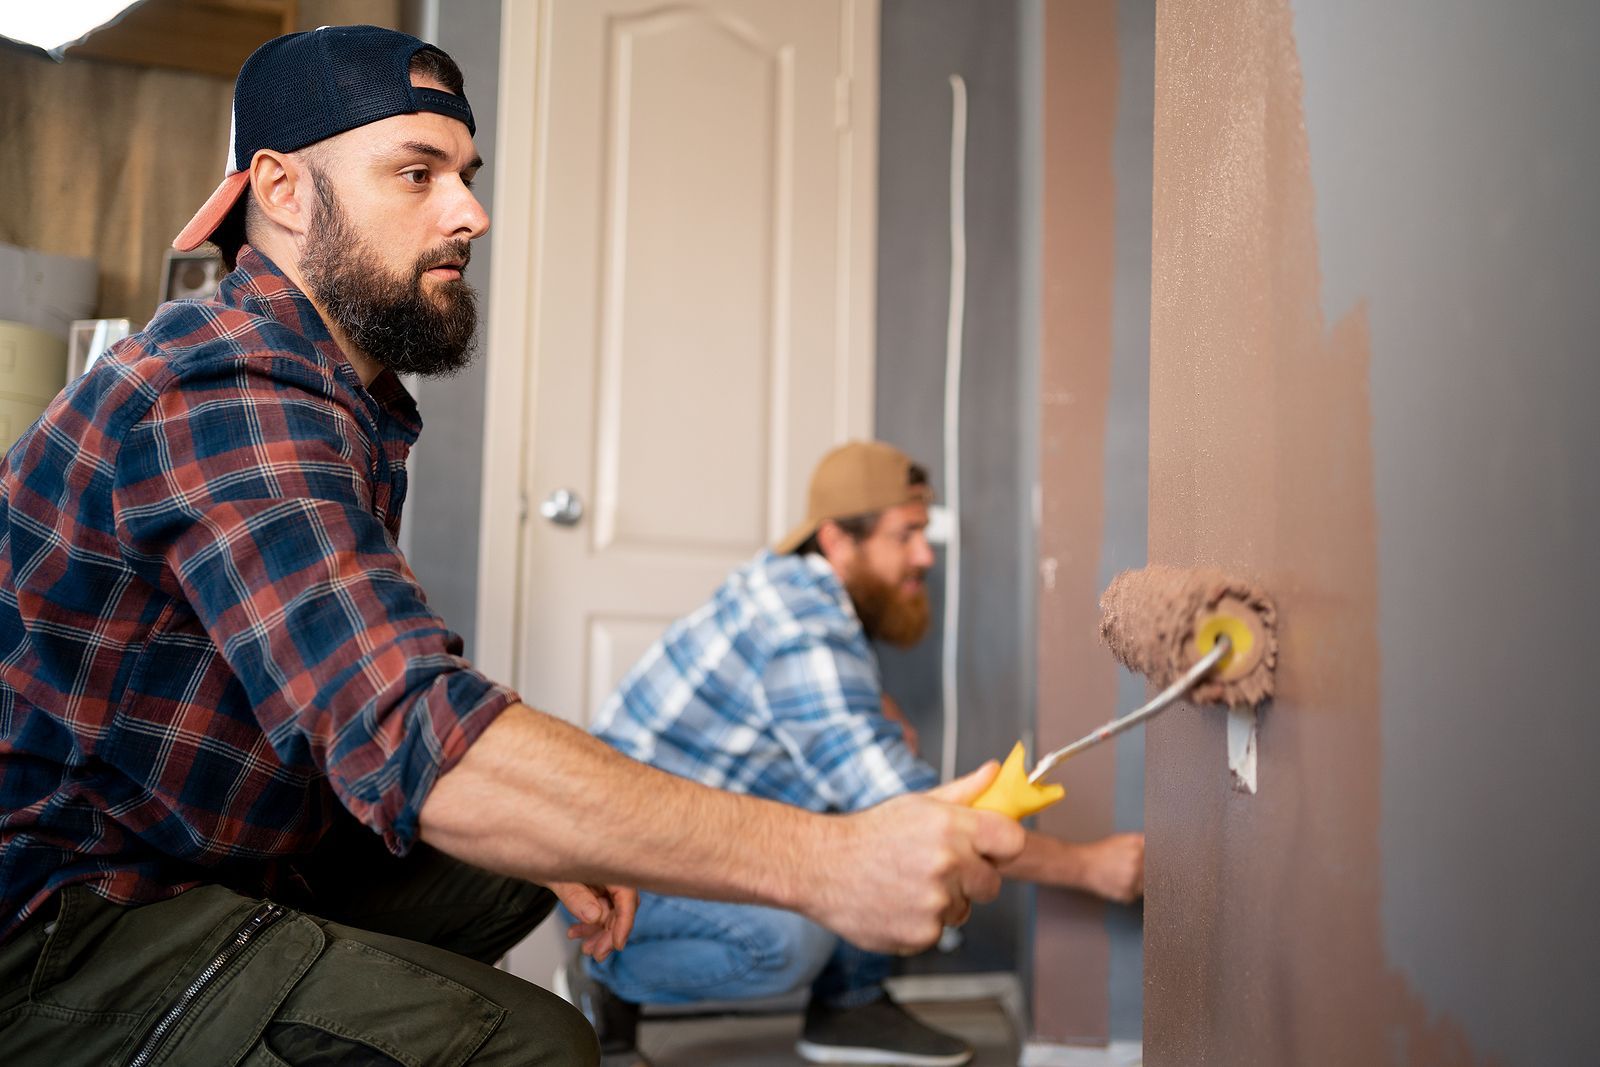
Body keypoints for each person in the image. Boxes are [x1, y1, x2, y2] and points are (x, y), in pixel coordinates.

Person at [0, 28, 1025, 1067]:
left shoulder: (324, 393)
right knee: (536, 1043)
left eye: (465, 175)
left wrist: (569, 828)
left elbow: (377, 691)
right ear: (283, 190)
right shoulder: (220, 394)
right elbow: (410, 729)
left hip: (196, 850)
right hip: (59, 921)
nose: (470, 213)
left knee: (527, 854)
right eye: (416, 174)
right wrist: (831, 860)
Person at [569, 441, 1146, 1066]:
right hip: (617, 877)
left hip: (676, 839)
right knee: (793, 937)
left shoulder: (800, 594)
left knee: (880, 759)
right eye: (907, 535)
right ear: (838, 541)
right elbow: (913, 814)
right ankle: (606, 977)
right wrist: (1089, 866)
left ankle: (849, 1003)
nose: (925, 555)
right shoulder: (803, 628)